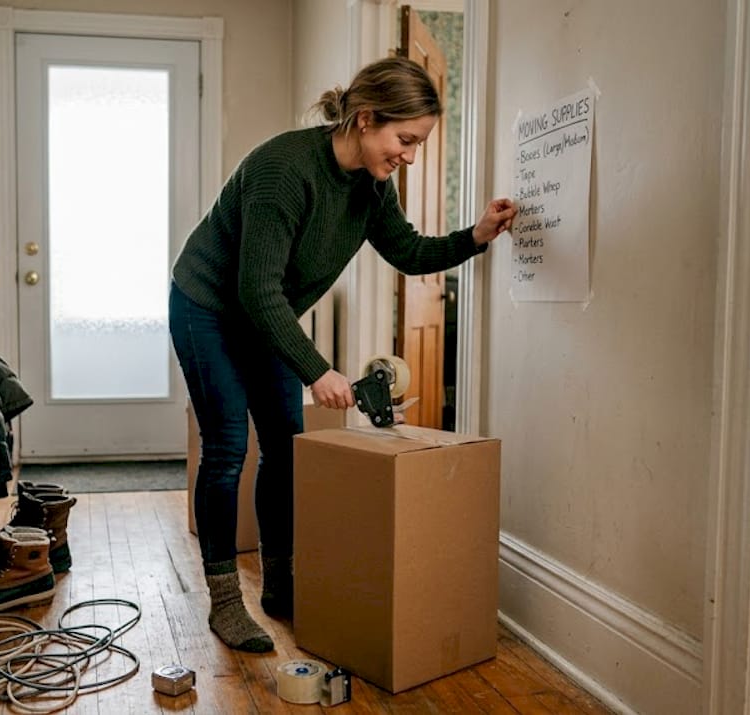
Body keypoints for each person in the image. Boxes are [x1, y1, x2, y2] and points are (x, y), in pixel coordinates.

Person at [168, 56, 517, 652]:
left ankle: (279, 584)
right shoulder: (284, 169)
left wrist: (476, 237)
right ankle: (225, 601)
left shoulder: (373, 187)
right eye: (404, 139)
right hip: (209, 307)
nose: (410, 155)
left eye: (419, 144)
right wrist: (318, 370)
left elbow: (406, 251)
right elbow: (255, 290)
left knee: (284, 449)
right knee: (228, 448)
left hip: (266, 313)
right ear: (364, 119)